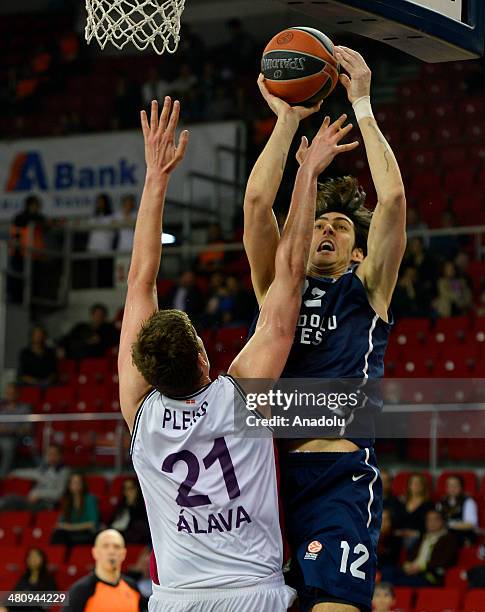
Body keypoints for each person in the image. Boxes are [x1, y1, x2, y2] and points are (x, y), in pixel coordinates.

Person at [118, 97, 353, 611]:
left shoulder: (140, 412)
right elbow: (291, 275)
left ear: (145, 371)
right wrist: (308, 174)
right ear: (204, 357)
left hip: (175, 599)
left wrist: (155, 178)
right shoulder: (243, 393)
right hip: (254, 596)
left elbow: (138, 281)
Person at [243, 46, 406, 612]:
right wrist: (287, 122)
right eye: (317, 224)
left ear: (358, 250)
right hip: (266, 482)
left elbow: (393, 199)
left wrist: (360, 101)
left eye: (339, 226)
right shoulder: (275, 289)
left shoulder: (368, 288)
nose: (326, 231)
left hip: (337, 476)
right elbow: (259, 201)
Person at [64, 529, 147, 612]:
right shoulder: (80, 591)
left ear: (123, 554)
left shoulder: (132, 588)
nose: (111, 551)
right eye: (105, 546)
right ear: (95, 552)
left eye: (116, 547)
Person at [383, 509, 459, 587]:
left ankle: (386, 595)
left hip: (428, 574)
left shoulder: (449, 539)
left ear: (442, 521)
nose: (431, 523)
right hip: (413, 570)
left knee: (398, 582)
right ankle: (384, 595)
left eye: (435, 519)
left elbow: (444, 561)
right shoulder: (423, 537)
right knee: (387, 570)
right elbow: (412, 555)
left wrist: (421, 568)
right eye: (428, 520)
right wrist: (407, 565)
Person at [0, 444, 70, 511]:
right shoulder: (44, 468)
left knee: (12, 501)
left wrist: (38, 494)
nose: (51, 457)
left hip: (47, 504)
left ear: (60, 456)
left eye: (54, 454)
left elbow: (59, 493)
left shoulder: (64, 471)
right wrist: (14, 473)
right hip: (34, 501)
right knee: (10, 500)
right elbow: (30, 472)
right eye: (49, 454)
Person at [51, 473, 99, 546]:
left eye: (78, 482)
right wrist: (64, 526)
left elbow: (92, 523)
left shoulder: (90, 499)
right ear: (69, 485)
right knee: (57, 535)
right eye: (73, 482)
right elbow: (60, 523)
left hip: (85, 533)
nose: (76, 485)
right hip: (70, 533)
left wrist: (70, 527)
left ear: (83, 484)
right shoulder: (67, 501)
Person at [4, 548, 58, 612]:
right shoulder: (24, 577)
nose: (33, 559)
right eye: (30, 556)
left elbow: (50, 600)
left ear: (42, 559)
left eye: (36, 556)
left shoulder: (48, 579)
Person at [0, 382, 32, 477]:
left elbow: (27, 429)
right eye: (7, 393)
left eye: (11, 393)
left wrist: (9, 430)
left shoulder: (25, 408)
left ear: (17, 394)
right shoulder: (1, 407)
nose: (9, 396)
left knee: (8, 446)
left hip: (14, 438)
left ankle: (2, 476)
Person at [436, 474, 478, 545]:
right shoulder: (441, 502)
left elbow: (470, 524)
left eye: (455, 485)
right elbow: (436, 519)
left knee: (447, 540)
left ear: (461, 487)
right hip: (444, 533)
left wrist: (448, 525)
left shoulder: (468, 502)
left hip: (463, 535)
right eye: (449, 486)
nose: (452, 488)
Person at [395, 473, 434, 549]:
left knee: (409, 542)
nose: (416, 485)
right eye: (413, 483)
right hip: (401, 534)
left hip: (418, 535)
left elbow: (428, 525)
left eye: (419, 483)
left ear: (423, 486)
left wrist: (415, 533)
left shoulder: (428, 504)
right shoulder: (402, 503)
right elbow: (397, 522)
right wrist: (399, 531)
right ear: (409, 486)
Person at [109, 478, 150, 545]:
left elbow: (141, 524)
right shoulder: (121, 505)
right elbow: (113, 522)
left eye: (131, 488)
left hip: (133, 537)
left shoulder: (143, 506)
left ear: (137, 489)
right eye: (125, 489)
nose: (128, 491)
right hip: (117, 533)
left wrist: (132, 505)